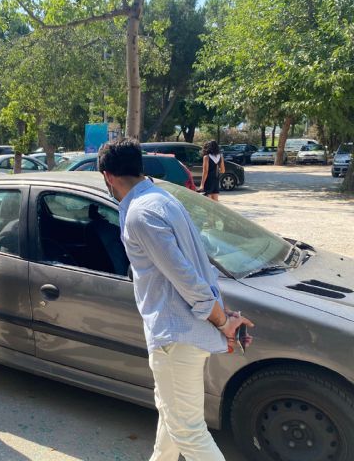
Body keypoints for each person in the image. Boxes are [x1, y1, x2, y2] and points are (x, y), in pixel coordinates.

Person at [98, 139, 253, 461]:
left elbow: (186, 278)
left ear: (108, 176)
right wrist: (222, 315)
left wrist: (222, 321)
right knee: (171, 415)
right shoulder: (164, 200)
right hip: (185, 332)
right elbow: (200, 266)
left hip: (175, 334)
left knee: (187, 430)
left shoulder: (140, 214)